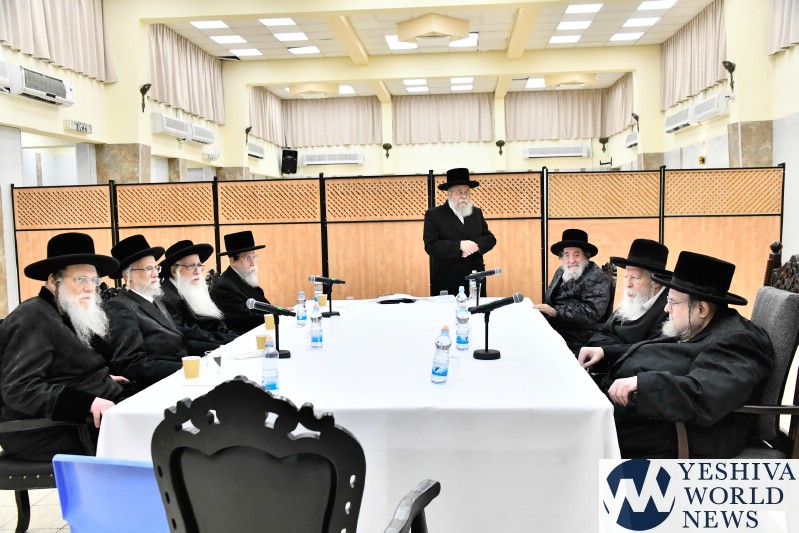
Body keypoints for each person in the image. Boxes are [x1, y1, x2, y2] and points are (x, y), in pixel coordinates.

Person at [601, 251, 774, 458]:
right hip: (653, 417)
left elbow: (705, 394)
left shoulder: (739, 340)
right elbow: (657, 350)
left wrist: (641, 383)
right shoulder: (699, 324)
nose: (666, 308)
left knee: (586, 440)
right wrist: (605, 352)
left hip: (682, 433)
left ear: (701, 308)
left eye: (673, 302)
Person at [0, 232, 127, 460]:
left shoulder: (68, 311)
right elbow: (19, 388)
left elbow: (64, 369)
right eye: (81, 279)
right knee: (146, 436)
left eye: (94, 280)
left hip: (81, 415)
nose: (90, 288)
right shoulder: (32, 316)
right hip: (41, 429)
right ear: (52, 281)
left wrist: (99, 379)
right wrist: (85, 403)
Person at [104, 234, 188, 387]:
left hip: (180, 377)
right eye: (148, 269)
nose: (155, 273)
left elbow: (179, 340)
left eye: (156, 267)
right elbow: (133, 365)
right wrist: (185, 369)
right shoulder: (118, 306)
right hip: (157, 386)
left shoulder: (155, 299)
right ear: (127, 275)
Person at [578, 239, 670, 370]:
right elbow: (605, 332)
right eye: (626, 277)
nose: (628, 284)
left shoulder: (670, 308)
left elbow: (649, 351)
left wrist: (606, 351)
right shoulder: (636, 298)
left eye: (635, 277)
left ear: (656, 282)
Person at [534, 229, 611, 354]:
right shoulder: (561, 271)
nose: (571, 260)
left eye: (576, 255)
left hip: (578, 336)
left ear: (585, 256)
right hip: (556, 328)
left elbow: (592, 312)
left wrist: (555, 312)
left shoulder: (596, 277)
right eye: (566, 255)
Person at [423, 167, 496, 297]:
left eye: (467, 192)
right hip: (446, 279)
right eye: (459, 192)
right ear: (449, 193)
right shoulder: (434, 215)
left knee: (477, 309)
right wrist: (460, 245)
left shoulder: (476, 212)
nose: (464, 196)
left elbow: (490, 238)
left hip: (475, 278)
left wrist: (474, 245)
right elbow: (431, 246)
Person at [159, 239, 238, 355]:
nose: (197, 271)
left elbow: (213, 323)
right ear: (175, 271)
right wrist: (228, 343)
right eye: (191, 266)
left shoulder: (192, 287)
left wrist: (236, 338)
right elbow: (189, 334)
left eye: (199, 265)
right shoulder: (167, 298)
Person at [211, 230, 270, 334]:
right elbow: (245, 320)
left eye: (254, 257)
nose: (253, 263)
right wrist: (277, 316)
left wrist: (280, 311)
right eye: (248, 258)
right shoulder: (224, 287)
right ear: (233, 261)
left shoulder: (244, 276)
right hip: (245, 337)